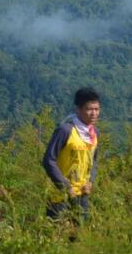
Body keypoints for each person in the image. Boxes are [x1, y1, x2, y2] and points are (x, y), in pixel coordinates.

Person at [42, 87, 101, 221]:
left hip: (82, 194)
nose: (94, 113)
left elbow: (94, 161)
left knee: (78, 237)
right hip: (60, 196)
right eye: (89, 109)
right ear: (78, 109)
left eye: (97, 109)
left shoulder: (94, 133)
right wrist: (65, 186)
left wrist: (90, 181)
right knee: (58, 235)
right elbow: (48, 160)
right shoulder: (65, 130)